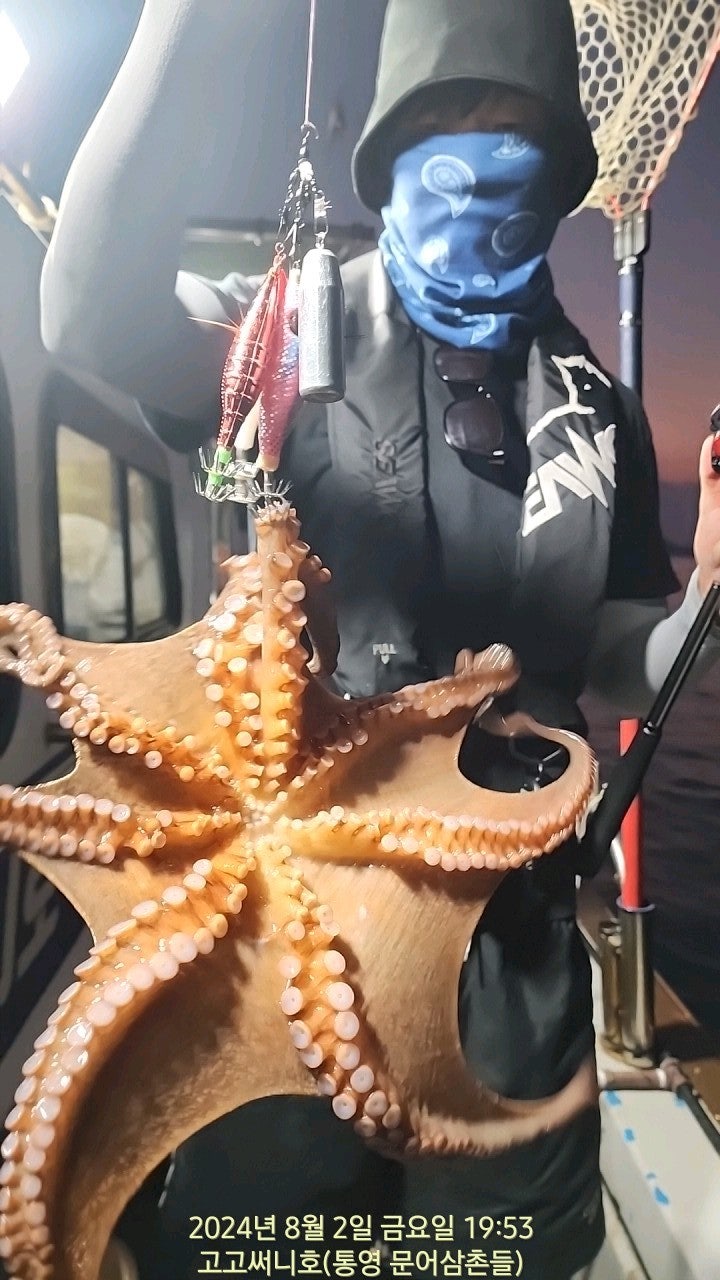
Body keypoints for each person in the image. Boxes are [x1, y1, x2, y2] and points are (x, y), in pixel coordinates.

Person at [39, 1, 720, 1277]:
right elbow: (87, 313)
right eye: (443, 125)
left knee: (498, 1251)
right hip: (286, 916)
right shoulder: (289, 329)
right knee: (272, 1243)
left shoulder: (602, 412)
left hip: (511, 941)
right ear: (386, 154)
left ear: (557, 176)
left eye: (514, 133)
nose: (478, 160)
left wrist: (704, 604)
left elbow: (614, 652)